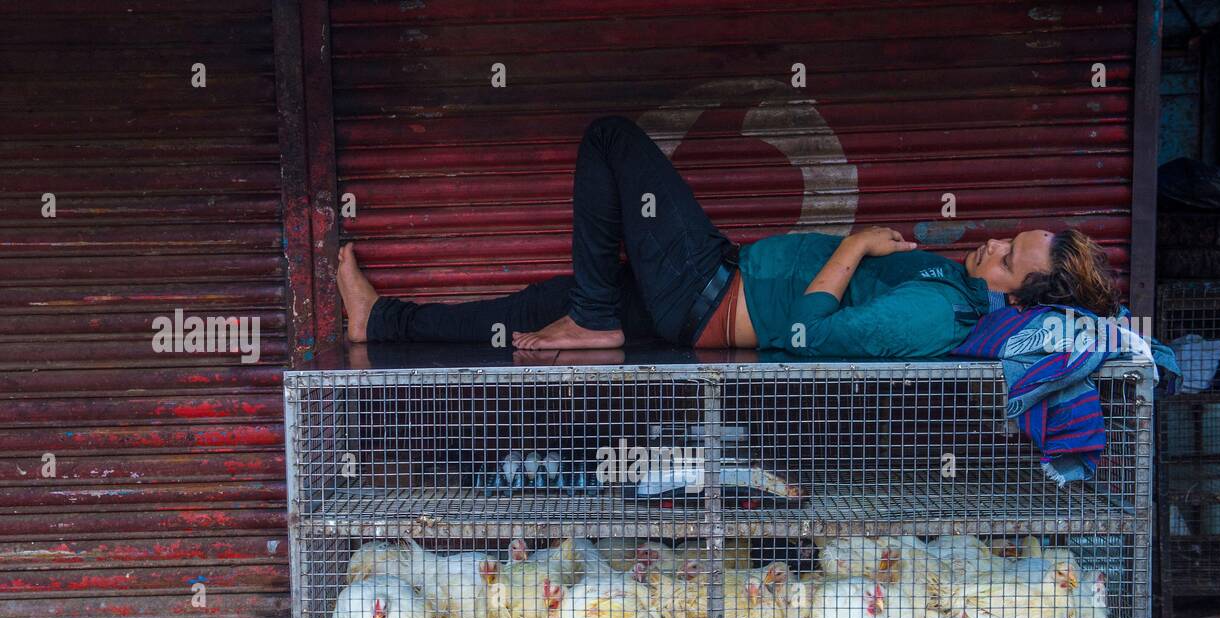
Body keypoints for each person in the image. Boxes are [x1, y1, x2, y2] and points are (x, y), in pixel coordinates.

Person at [338, 116, 1121, 357]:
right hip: (707, 288)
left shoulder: (942, 314)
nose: (990, 246)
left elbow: (810, 337)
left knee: (612, 140)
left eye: (1007, 256)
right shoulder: (950, 291)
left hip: (709, 293)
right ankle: (380, 322)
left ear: (1019, 291)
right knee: (529, 311)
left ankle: (596, 318)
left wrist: (852, 247)